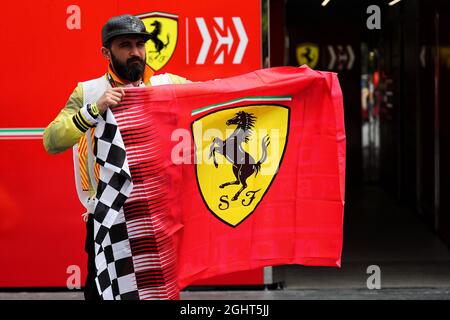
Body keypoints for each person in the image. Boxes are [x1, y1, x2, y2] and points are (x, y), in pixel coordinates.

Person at [43, 14, 189, 300]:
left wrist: (289, 87)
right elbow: (52, 141)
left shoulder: (167, 86)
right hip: (108, 220)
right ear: (105, 52)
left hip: (156, 221)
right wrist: (93, 111)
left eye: (140, 44)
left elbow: (220, 94)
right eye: (125, 45)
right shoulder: (89, 92)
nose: (136, 52)